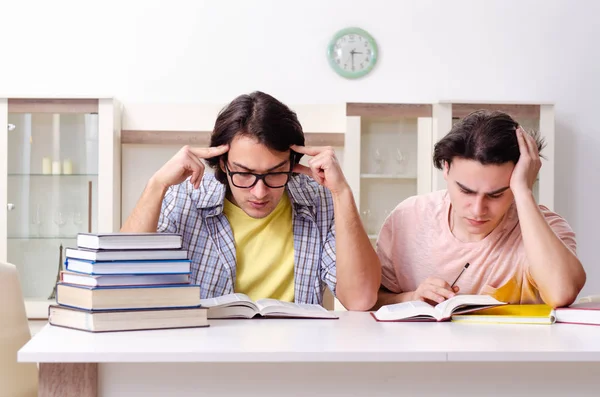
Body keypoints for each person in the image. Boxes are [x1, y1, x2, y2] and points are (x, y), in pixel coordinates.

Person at [122, 91, 380, 310]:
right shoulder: (187, 194)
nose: (259, 192)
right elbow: (124, 281)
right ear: (223, 163)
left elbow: (360, 299)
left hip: (295, 355)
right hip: (204, 354)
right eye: (244, 174)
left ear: (292, 164)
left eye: (275, 173)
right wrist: (156, 186)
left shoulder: (317, 198)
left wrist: (342, 193)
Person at [375, 110, 585, 309]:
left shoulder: (546, 227)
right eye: (466, 191)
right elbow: (368, 301)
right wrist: (411, 298)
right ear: (445, 168)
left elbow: (561, 292)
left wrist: (523, 192)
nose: (478, 210)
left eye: (496, 194)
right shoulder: (407, 217)